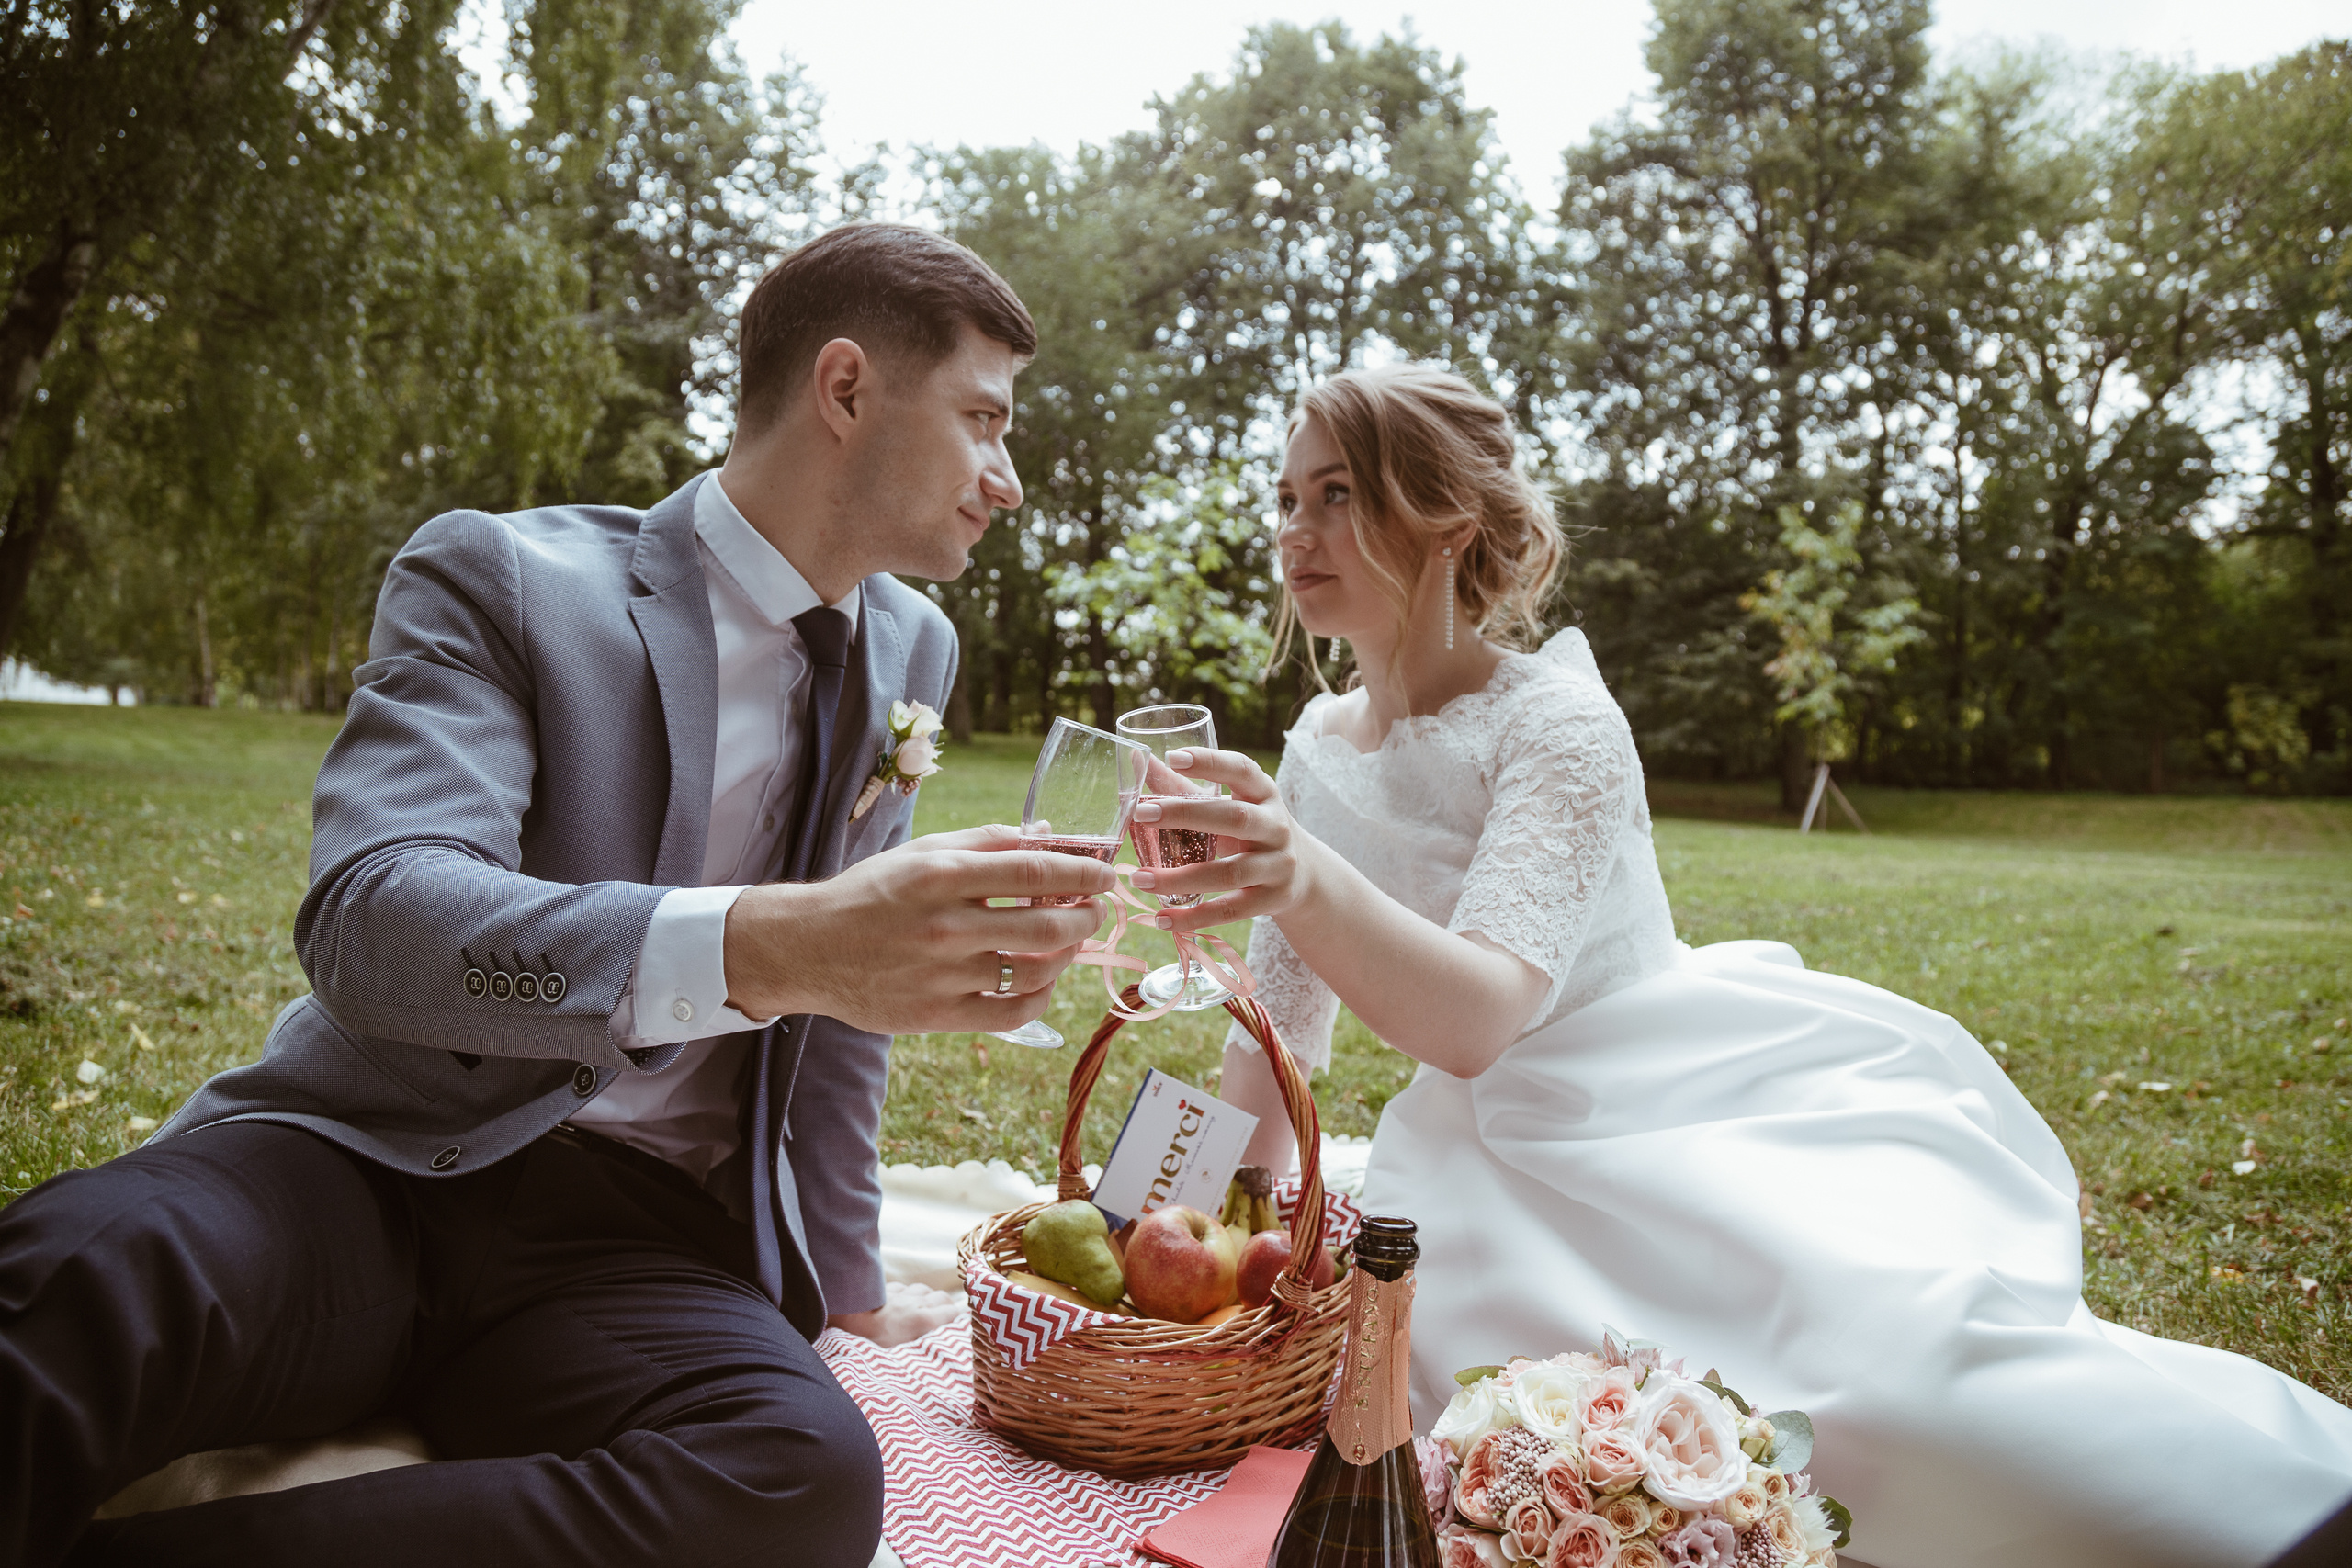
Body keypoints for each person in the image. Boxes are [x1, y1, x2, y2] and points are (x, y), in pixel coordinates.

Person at [0, 224, 1114, 1568]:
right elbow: (378, 924)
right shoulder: (506, 579)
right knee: (68, 1282)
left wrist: (852, 1300)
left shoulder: (913, 645)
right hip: (368, 1162)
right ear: (846, 388)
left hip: (630, 1248)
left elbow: (839, 1030)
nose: (1007, 480)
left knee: (799, 1478)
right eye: (985, 422)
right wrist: (767, 946)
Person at [1134, 361, 2352, 1568]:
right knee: (1536, 1433)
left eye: (1338, 493)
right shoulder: (1311, 753)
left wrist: (1295, 871)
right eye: (1287, 499)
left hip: (1674, 1104)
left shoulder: (1558, 723)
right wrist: (1154, 1244)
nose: (1298, 530)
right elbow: (1274, 1045)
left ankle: (2275, 1505)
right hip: (1472, 1161)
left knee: (1898, 1398)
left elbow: (1480, 1013)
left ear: (1447, 522)